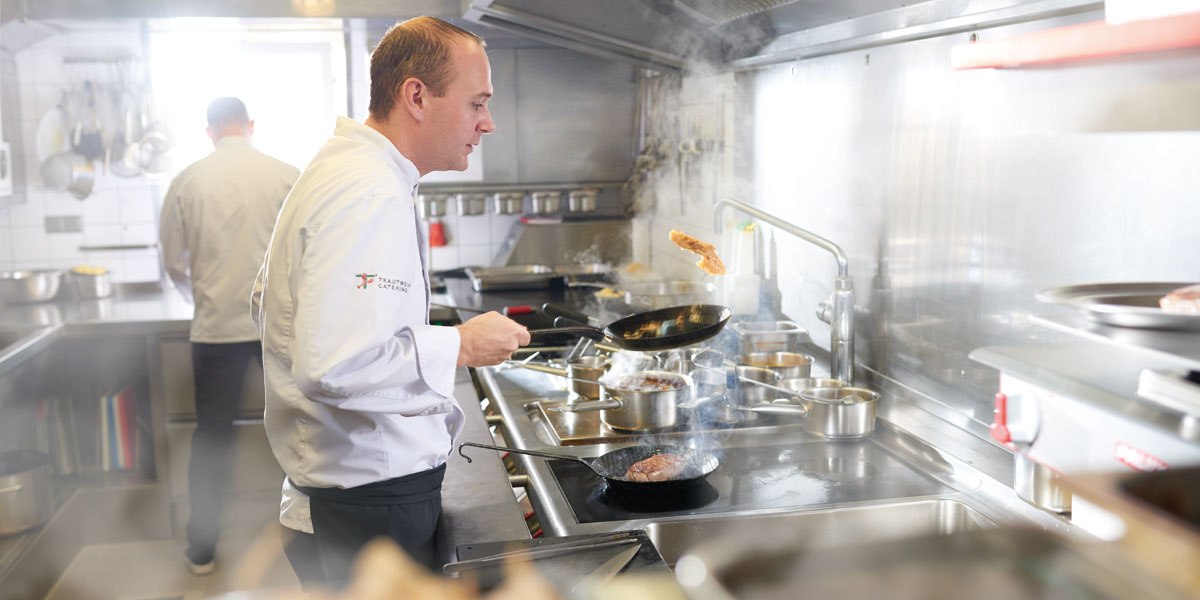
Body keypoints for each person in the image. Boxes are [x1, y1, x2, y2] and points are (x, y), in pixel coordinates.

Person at [251, 16, 531, 590]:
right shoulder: (367, 191)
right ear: (417, 96)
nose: (488, 122)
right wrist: (461, 343)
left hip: (351, 493)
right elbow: (333, 364)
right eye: (477, 102)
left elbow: (270, 302)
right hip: (366, 502)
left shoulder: (351, 171)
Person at [159, 97, 301, 575]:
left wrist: (203, 292)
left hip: (215, 326)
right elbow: (309, 251)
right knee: (301, 430)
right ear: (251, 126)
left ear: (209, 132)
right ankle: (311, 537)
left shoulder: (188, 180)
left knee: (212, 437)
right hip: (276, 328)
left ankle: (201, 550)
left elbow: (173, 262)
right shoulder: (286, 175)